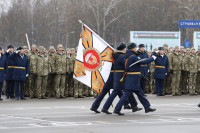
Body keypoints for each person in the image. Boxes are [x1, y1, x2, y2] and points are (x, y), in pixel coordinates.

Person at [114, 43, 156, 115]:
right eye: (135, 47)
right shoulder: (133, 57)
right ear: (132, 48)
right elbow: (142, 62)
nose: (136, 49)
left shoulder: (128, 56)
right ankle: (117, 109)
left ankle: (147, 107)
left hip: (132, 78)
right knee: (126, 95)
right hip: (133, 79)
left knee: (140, 93)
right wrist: (152, 58)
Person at [101, 43, 135, 114]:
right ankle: (109, 108)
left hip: (117, 74)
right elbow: (125, 65)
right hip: (120, 75)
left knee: (122, 91)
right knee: (118, 91)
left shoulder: (116, 55)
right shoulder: (121, 56)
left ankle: (131, 105)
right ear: (123, 49)